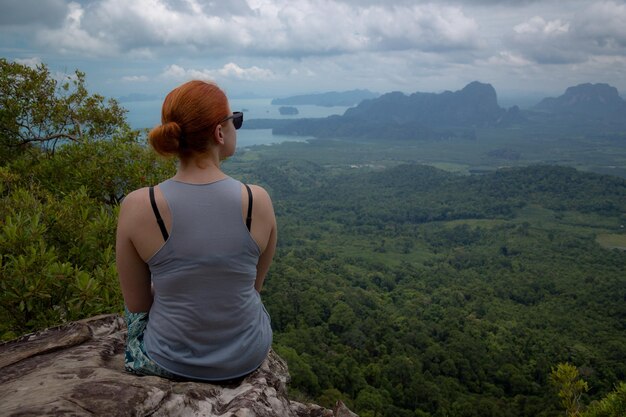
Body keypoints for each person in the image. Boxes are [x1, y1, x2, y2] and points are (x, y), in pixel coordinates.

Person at [116, 80, 277, 383]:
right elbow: (252, 288)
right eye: (235, 121)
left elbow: (138, 306)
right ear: (219, 132)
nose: (235, 127)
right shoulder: (258, 201)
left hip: (169, 359)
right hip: (246, 356)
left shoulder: (139, 205)